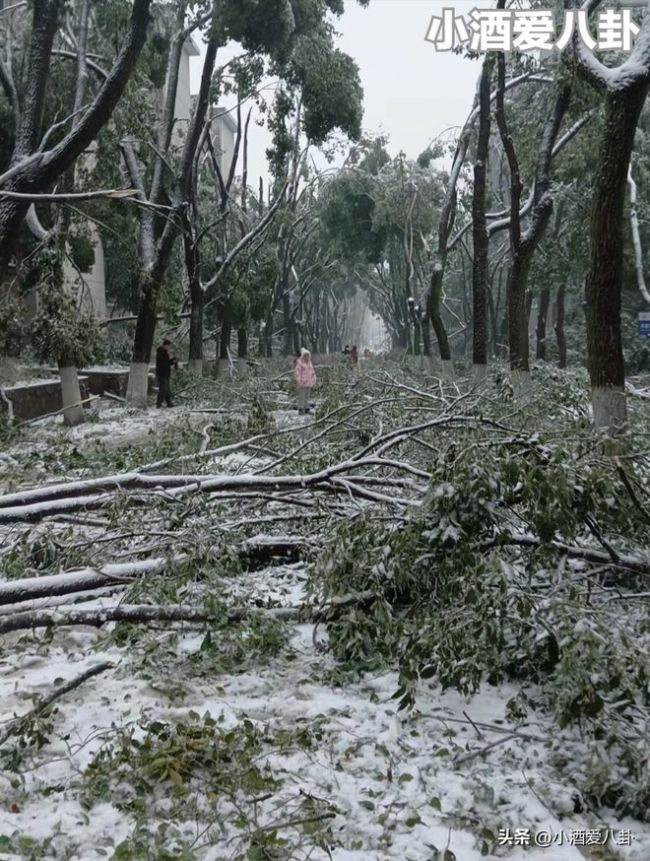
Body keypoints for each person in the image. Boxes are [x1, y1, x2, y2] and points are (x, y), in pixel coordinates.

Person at [156, 339, 178, 408]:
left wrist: (173, 360)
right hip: (162, 374)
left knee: (167, 389)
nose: (169, 348)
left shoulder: (164, 352)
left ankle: (169, 403)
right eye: (169, 346)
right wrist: (172, 362)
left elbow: (166, 362)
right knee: (163, 389)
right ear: (166, 345)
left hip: (165, 373)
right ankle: (158, 404)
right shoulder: (161, 352)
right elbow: (163, 364)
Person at [293, 347, 316, 414]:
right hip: (302, 383)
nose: (306, 357)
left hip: (308, 383)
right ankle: (301, 408)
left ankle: (306, 408)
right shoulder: (299, 363)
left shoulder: (309, 363)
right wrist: (298, 380)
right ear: (302, 355)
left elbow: (312, 372)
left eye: (307, 355)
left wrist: (314, 379)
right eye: (305, 355)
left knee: (307, 396)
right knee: (301, 396)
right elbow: (297, 373)